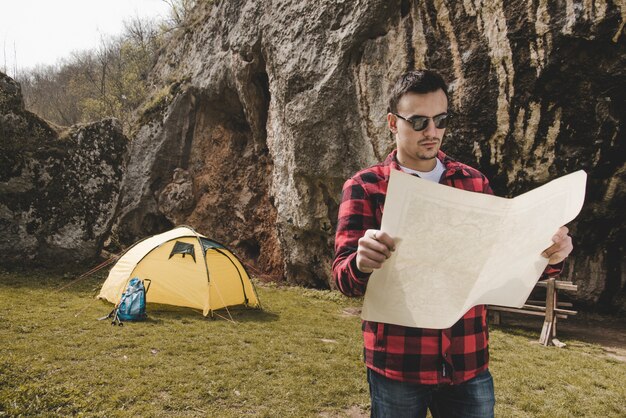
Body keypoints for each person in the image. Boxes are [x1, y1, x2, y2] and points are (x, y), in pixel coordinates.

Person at [332, 69, 573, 418]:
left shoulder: (474, 182)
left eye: (440, 119)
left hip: (467, 362)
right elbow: (342, 277)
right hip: (398, 365)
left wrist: (550, 255)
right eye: (418, 122)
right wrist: (359, 262)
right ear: (391, 122)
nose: (432, 132)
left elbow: (502, 262)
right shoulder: (365, 186)